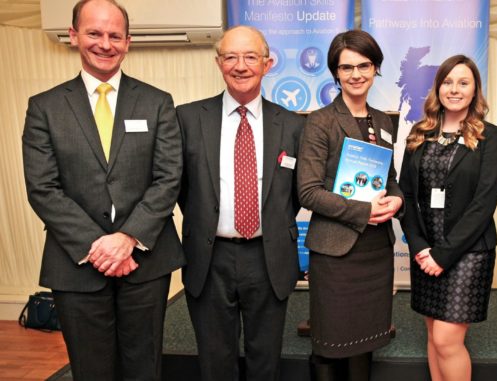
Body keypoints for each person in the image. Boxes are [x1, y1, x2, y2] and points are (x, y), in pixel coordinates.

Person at [21, 0, 184, 380]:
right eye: (94, 33)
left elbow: (169, 177)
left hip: (144, 261)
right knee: (91, 370)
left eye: (115, 35)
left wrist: (127, 238)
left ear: (127, 42)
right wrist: (99, 247)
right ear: (74, 35)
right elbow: (42, 187)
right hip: (76, 263)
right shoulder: (44, 107)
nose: (105, 44)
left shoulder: (157, 102)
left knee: (144, 368)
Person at [176, 25, 304, 381]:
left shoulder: (293, 125)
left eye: (250, 57)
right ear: (219, 63)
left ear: (267, 64)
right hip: (209, 256)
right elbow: (180, 189)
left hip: (269, 256)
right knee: (216, 361)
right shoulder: (186, 119)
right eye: (231, 56)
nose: (240, 65)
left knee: (266, 359)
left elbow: (294, 195)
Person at [297, 30, 403, 381]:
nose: (356, 74)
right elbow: (308, 192)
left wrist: (397, 199)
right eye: (347, 67)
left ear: (375, 69)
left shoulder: (384, 121)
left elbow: (390, 180)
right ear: (336, 73)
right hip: (336, 253)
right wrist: (364, 212)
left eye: (364, 65)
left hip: (376, 250)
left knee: (365, 340)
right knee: (329, 342)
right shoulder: (320, 121)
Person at [399, 55, 497, 381]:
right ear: (437, 88)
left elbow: (484, 204)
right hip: (426, 251)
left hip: (468, 252)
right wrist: (419, 247)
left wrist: (444, 255)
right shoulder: (420, 133)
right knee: (433, 335)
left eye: (463, 82)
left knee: (447, 339)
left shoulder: (491, 136)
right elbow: (406, 195)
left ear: (475, 90)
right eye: (447, 82)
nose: (454, 89)